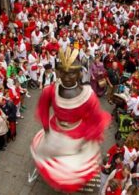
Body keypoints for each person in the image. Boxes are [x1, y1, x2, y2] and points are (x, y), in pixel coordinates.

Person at [31, 48, 111, 193]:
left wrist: (87, 138)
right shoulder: (50, 90)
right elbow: (43, 111)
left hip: (78, 135)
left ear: (80, 73)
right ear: (59, 72)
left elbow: (96, 120)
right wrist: (47, 131)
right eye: (64, 72)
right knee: (57, 165)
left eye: (72, 73)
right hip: (56, 131)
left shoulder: (88, 96)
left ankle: (66, 186)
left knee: (72, 168)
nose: (67, 77)